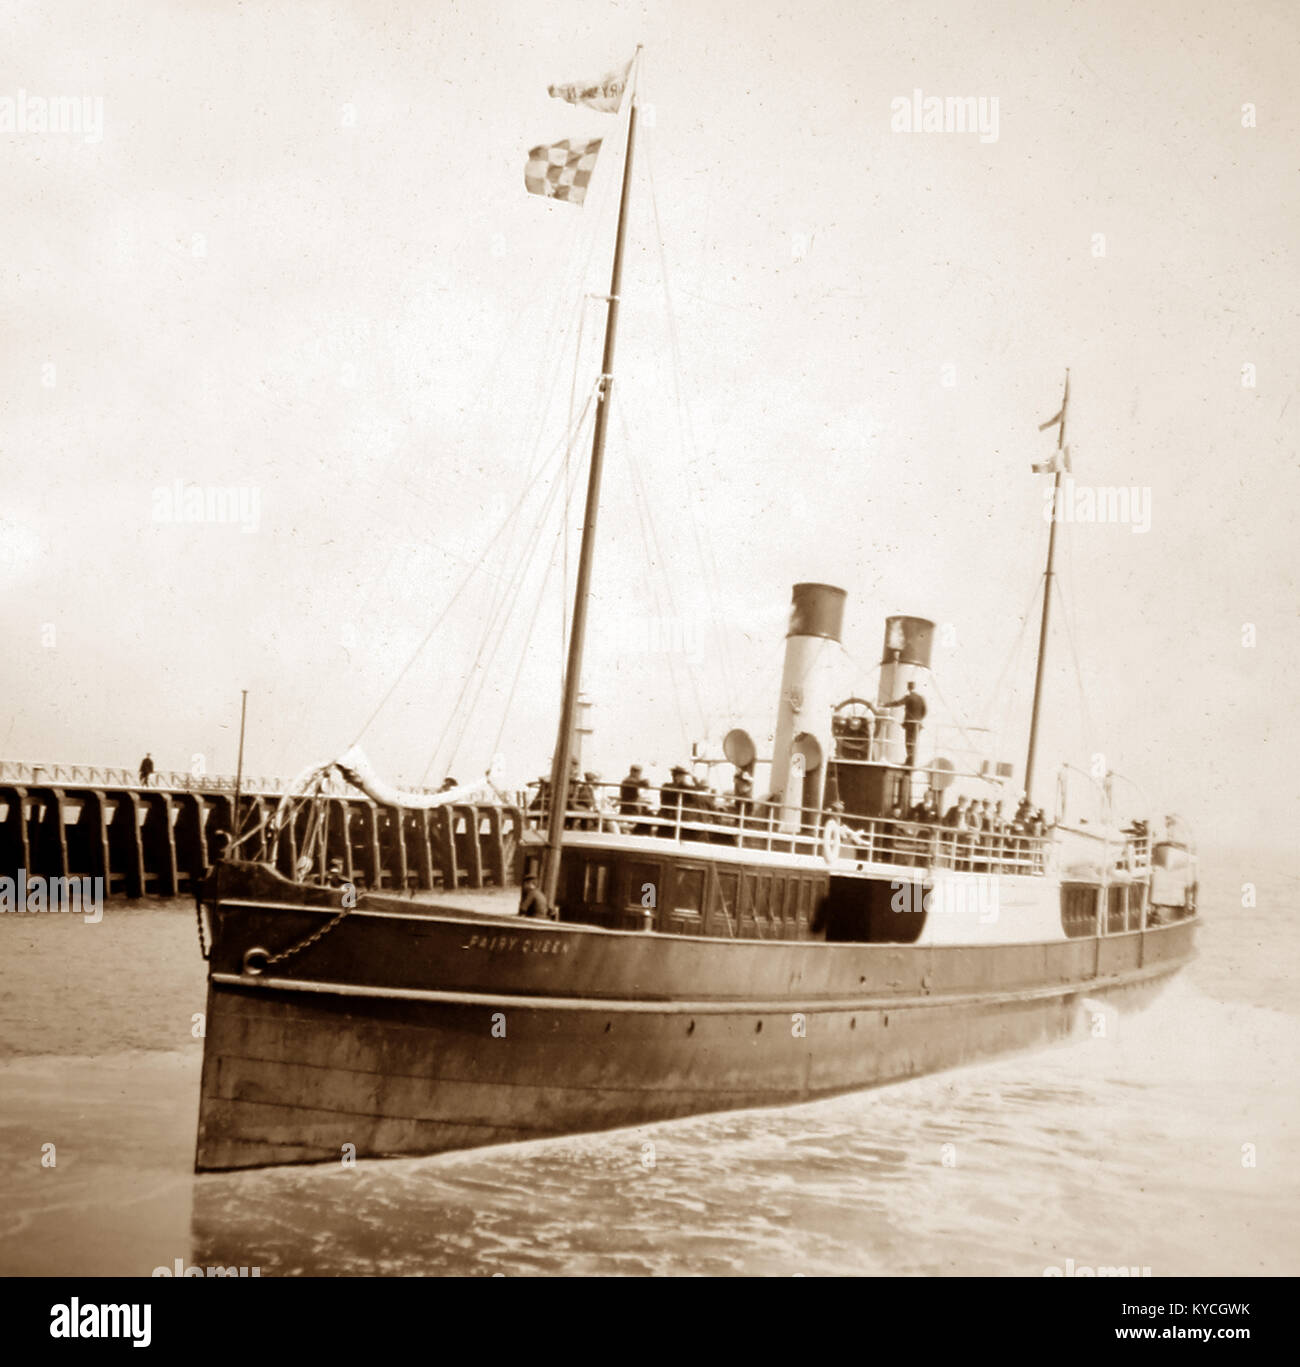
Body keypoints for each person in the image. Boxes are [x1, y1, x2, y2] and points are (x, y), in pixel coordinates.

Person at [882, 681, 927, 769]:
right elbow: (925, 710)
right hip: (917, 724)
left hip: (910, 723)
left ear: (908, 688)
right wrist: (919, 719)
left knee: (909, 741)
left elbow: (898, 703)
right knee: (914, 741)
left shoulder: (908, 697)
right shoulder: (921, 698)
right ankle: (912, 760)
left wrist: (885, 705)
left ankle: (909, 760)